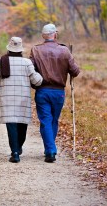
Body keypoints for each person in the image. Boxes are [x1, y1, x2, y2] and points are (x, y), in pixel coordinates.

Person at [30, 24, 80, 163]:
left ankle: (50, 150)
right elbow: (75, 71)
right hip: (58, 93)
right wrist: (69, 60)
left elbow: (30, 70)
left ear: (43, 36)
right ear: (55, 35)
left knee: (46, 121)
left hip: (42, 90)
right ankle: (50, 150)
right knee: (53, 120)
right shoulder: (64, 51)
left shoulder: (35, 50)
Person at [0, 37, 43, 163]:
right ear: (21, 49)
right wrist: (40, 74)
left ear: (9, 48)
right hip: (23, 99)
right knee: (22, 125)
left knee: (11, 125)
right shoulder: (27, 63)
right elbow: (37, 81)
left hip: (7, 99)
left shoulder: (1, 61)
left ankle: (15, 152)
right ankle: (18, 149)